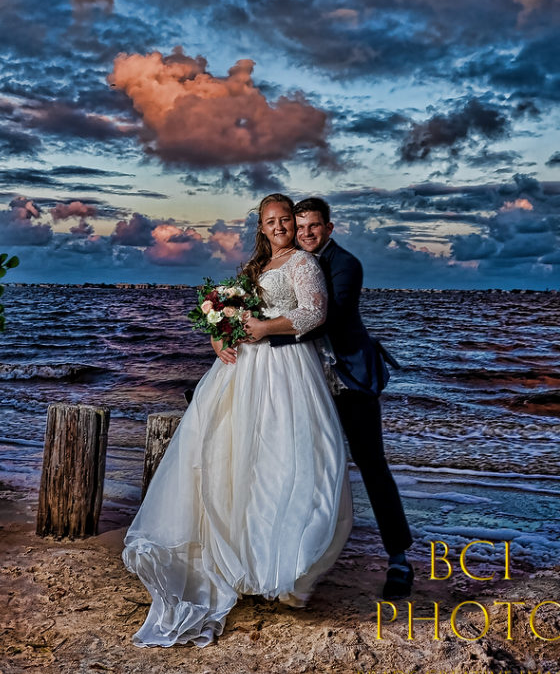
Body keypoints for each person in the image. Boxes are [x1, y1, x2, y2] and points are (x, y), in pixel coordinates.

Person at [122, 194, 352, 647]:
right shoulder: (257, 269)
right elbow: (227, 314)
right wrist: (217, 338)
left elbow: (314, 313)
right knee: (233, 457)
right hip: (244, 370)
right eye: (272, 221)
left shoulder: (303, 263)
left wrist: (266, 328)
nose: (281, 226)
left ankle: (287, 570)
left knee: (285, 457)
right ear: (262, 228)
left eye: (286, 219)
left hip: (287, 370)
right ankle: (242, 561)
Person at [289, 197, 413, 600]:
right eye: (300, 225)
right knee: (300, 462)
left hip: (348, 377)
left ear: (329, 227)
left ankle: (399, 558)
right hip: (305, 376)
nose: (306, 233)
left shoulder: (346, 264)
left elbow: (332, 316)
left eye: (314, 226)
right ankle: (297, 553)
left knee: (371, 463)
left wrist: (266, 335)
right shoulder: (290, 261)